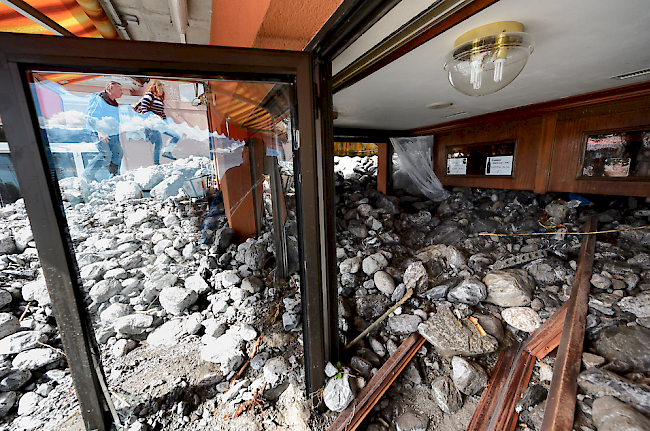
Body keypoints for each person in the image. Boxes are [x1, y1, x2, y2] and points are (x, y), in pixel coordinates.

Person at [83, 81, 123, 181]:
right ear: (111, 88)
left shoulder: (114, 103)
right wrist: (99, 131)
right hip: (97, 131)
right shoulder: (99, 98)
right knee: (105, 153)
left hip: (111, 132)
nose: (122, 92)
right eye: (120, 89)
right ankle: (88, 174)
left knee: (118, 152)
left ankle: (114, 176)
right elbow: (90, 117)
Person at [138, 80, 180, 165]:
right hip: (153, 123)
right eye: (161, 89)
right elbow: (144, 108)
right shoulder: (149, 95)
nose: (162, 91)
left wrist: (166, 122)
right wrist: (150, 120)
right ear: (156, 88)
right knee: (159, 143)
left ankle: (166, 152)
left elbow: (162, 113)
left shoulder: (159, 99)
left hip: (160, 123)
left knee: (176, 136)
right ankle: (156, 163)